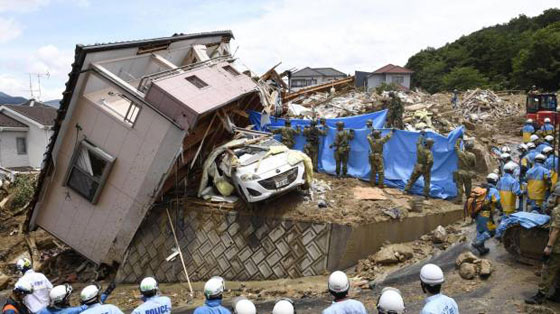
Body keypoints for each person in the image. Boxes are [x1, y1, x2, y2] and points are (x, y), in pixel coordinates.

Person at [525, 184, 560, 305]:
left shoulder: (558, 210)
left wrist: (549, 246)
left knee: (548, 270)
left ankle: (540, 295)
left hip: (557, 248)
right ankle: (557, 294)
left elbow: (556, 230)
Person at [472, 173, 501, 256]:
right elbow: (497, 202)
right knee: (491, 231)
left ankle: (482, 249)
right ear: (495, 181)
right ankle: (478, 242)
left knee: (481, 231)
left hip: (476, 213)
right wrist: (502, 210)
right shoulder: (494, 191)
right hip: (486, 214)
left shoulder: (480, 189)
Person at [404, 134, 434, 199]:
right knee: (427, 181)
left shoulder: (419, 148)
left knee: (412, 179)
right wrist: (428, 168)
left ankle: (406, 190)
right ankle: (425, 195)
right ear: (430, 145)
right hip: (425, 167)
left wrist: (421, 135)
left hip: (417, 166)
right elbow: (431, 161)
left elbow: (418, 142)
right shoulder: (429, 152)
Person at [454, 137, 476, 204]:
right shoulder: (473, 155)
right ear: (471, 148)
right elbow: (473, 165)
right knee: (468, 185)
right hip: (468, 172)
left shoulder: (460, 153)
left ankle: (459, 200)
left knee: (459, 186)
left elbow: (455, 147)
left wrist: (459, 140)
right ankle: (468, 198)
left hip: (460, 172)